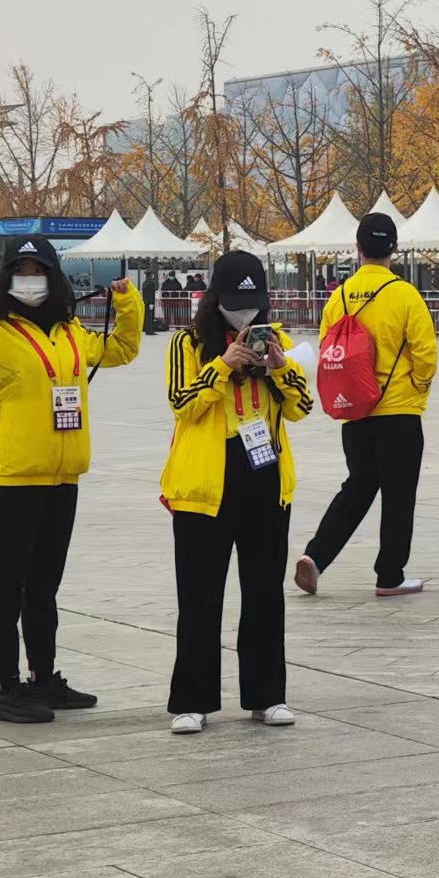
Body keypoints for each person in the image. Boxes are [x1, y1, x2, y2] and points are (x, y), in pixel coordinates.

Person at [0, 236, 142, 723]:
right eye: (19, 270)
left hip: (64, 476)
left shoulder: (74, 333)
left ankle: (45, 678)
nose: (29, 279)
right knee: (5, 584)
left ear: (55, 279)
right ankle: (9, 688)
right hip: (14, 479)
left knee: (44, 586)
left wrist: (128, 302)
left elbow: (122, 348)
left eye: (38, 270)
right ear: (6, 280)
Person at [161, 251, 313, 735]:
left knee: (265, 591)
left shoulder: (278, 341)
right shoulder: (188, 345)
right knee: (200, 595)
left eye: (252, 303)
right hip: (205, 484)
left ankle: (268, 695)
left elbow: (303, 407)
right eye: (234, 302)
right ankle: (193, 699)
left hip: (263, 474)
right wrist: (222, 366)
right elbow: (180, 403)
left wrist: (278, 369)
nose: (244, 312)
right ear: (215, 299)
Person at [296, 212, 439, 598]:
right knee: (398, 493)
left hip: (355, 410)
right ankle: (389, 575)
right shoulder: (405, 295)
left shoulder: (339, 297)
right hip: (399, 412)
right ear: (393, 249)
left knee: (358, 486)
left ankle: (316, 556)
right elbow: (425, 353)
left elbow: (328, 349)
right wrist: (417, 389)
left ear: (357, 249)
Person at [142, 272, 160, 336]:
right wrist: (151, 303)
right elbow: (151, 293)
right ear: (151, 276)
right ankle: (150, 330)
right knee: (150, 316)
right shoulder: (151, 283)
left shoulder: (144, 283)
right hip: (150, 302)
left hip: (145, 302)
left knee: (146, 316)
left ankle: (147, 329)